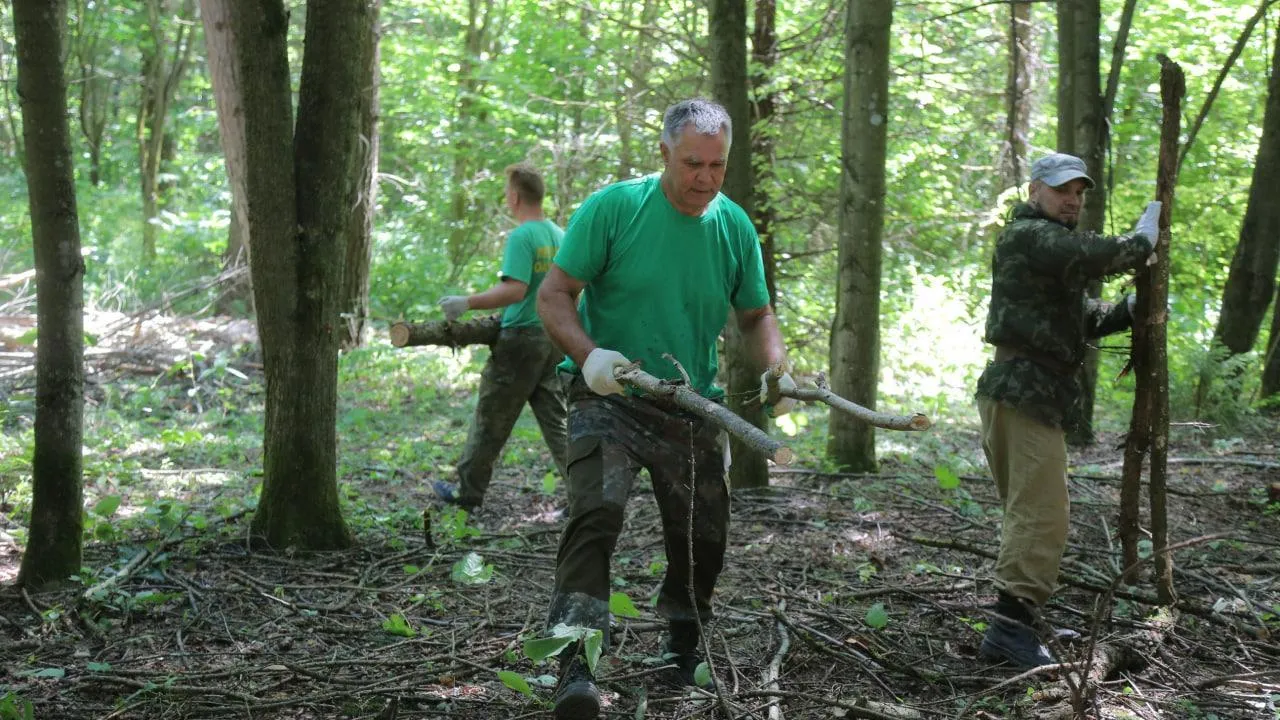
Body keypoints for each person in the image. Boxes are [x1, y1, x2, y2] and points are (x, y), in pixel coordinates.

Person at [535, 98, 797, 718]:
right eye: (692, 163)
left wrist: (777, 365)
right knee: (596, 511)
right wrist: (591, 355)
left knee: (704, 532)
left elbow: (756, 313)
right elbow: (553, 295)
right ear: (664, 155)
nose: (705, 178)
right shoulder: (615, 208)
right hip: (610, 396)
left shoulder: (732, 226)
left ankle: (683, 642)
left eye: (717, 165)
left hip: (689, 405)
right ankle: (574, 664)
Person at [975, 152, 1160, 667]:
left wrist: (1128, 310)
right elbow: (1096, 255)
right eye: (1062, 190)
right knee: (1041, 517)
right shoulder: (1028, 235)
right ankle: (1009, 633)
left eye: (1079, 193)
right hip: (1022, 392)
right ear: (1035, 190)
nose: (1072, 200)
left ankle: (1022, 622)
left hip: (1023, 392)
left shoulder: (1039, 249)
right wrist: (1143, 239)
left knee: (1031, 513)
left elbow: (1076, 318)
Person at [432, 162, 569, 510]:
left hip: (521, 340)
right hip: (552, 337)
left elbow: (515, 290)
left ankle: (468, 494)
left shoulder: (522, 236)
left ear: (514, 196)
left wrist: (467, 303)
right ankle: (585, 496)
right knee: (557, 421)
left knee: (491, 416)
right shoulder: (559, 234)